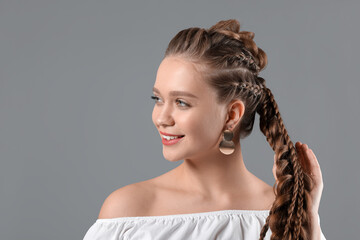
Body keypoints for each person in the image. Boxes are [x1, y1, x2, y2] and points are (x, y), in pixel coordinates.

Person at [83, 19, 326, 240]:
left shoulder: (283, 213)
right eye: (157, 99)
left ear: (232, 115)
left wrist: (309, 220)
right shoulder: (128, 211)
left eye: (181, 102)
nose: (161, 118)